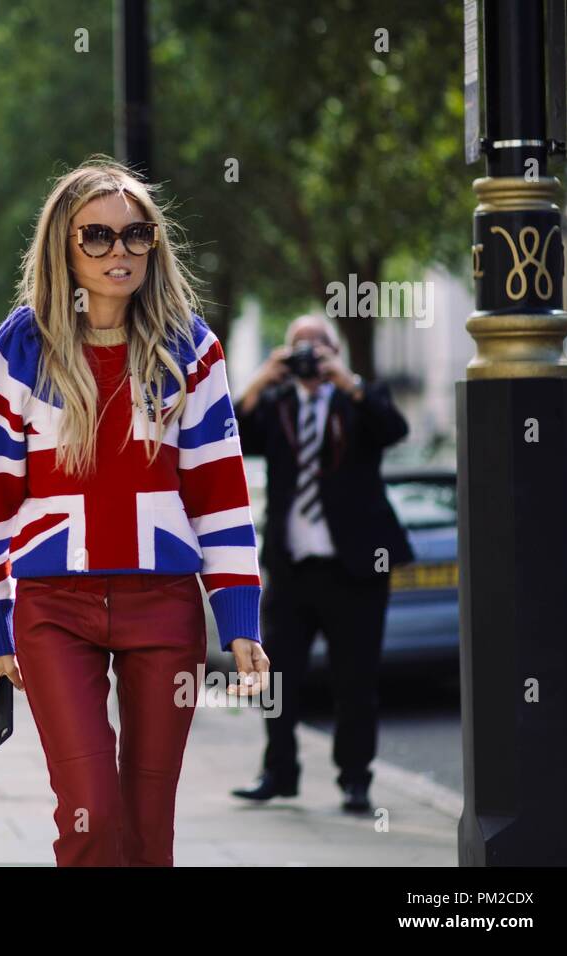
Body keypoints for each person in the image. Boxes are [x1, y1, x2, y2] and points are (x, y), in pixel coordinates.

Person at [0, 156, 267, 866]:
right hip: (52, 610)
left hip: (164, 608)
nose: (118, 251)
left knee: (147, 829)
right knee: (91, 816)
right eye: (95, 236)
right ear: (63, 248)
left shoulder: (192, 347)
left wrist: (241, 619)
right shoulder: (21, 346)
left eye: (136, 236)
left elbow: (220, 491)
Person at [230, 312, 412, 813]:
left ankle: (356, 779)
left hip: (356, 570)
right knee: (277, 678)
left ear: (336, 351)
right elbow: (232, 438)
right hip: (291, 570)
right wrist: (262, 378)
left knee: (355, 680)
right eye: (298, 347)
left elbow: (393, 429)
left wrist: (346, 382)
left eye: (319, 346)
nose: (310, 356)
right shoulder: (276, 404)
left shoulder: (361, 400)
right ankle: (278, 772)